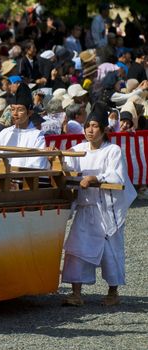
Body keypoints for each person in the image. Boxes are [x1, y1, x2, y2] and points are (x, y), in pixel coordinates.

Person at [61, 110, 136, 306]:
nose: (90, 130)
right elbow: (68, 168)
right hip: (86, 208)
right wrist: (61, 165)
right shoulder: (78, 149)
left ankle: (113, 292)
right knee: (76, 249)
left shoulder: (112, 150)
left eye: (94, 126)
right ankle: (76, 293)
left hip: (105, 209)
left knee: (110, 251)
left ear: (103, 130)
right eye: (87, 126)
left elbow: (117, 176)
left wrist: (96, 178)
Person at [0, 83, 49, 169]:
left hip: (23, 180)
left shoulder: (37, 136)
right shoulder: (5, 133)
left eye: (20, 110)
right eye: (13, 109)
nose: (15, 113)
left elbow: (36, 164)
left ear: (29, 113)